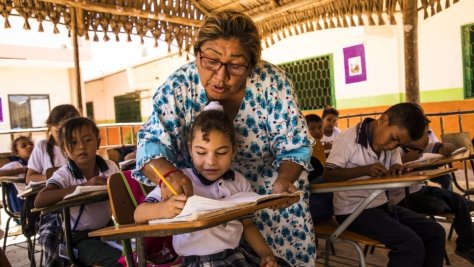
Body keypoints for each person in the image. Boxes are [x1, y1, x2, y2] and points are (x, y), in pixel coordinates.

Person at [132, 10, 316, 265]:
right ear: (196, 53)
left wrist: (284, 181)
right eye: (210, 61)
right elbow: (150, 146)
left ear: (251, 64)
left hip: (269, 200)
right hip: (204, 205)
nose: (220, 76)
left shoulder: (271, 84)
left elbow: (296, 146)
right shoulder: (179, 86)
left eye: (236, 65)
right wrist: (170, 177)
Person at [135, 103, 285, 266]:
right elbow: (139, 214)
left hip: (235, 257)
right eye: (201, 152)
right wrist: (164, 209)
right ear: (190, 149)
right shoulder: (179, 181)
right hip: (198, 262)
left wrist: (266, 255)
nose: (211, 161)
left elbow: (248, 226)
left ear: (233, 151)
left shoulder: (239, 182)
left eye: (221, 153)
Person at [323, 102, 446, 267]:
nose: (392, 146)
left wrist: (398, 169)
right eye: (394, 138)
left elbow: (395, 165)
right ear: (383, 119)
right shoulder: (347, 139)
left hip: (382, 206)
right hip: (353, 211)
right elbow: (328, 175)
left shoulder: (392, 144)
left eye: (399, 144)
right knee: (410, 245)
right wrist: (364, 170)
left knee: (435, 232)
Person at [35, 117, 122, 266]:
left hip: (108, 229)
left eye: (87, 140)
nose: (81, 146)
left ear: (98, 143)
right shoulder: (65, 175)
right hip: (78, 239)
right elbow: (40, 200)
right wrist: (83, 187)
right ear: (65, 150)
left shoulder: (110, 167)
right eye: (73, 142)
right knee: (120, 261)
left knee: (140, 253)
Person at [389, 126, 474, 264]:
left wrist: (447, 147)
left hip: (420, 189)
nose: (427, 139)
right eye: (423, 136)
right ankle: (455, 210)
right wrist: (403, 160)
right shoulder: (394, 149)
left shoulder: (421, 148)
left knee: (458, 200)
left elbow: (439, 146)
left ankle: (466, 246)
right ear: (409, 137)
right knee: (443, 205)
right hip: (401, 198)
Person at [26, 104, 80, 266]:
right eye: (58, 130)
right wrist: (55, 175)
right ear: (50, 128)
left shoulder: (80, 145)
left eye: (68, 129)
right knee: (51, 235)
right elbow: (30, 177)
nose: (64, 134)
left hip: (79, 205)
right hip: (53, 206)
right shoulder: (42, 147)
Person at [0, 136, 34, 210]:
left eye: (31, 144)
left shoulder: (38, 163)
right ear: (17, 153)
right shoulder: (16, 165)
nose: (29, 146)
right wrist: (21, 170)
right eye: (23, 146)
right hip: (25, 203)